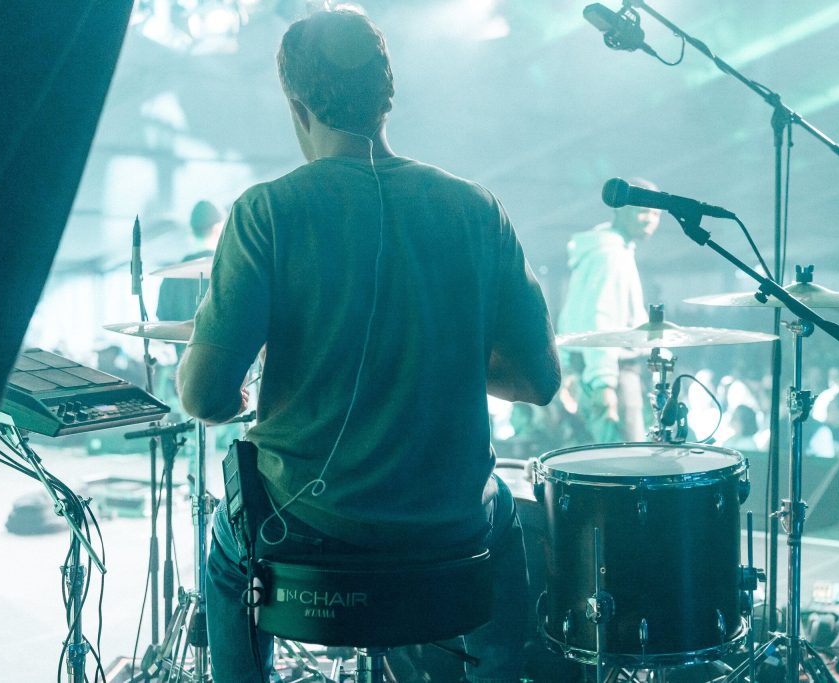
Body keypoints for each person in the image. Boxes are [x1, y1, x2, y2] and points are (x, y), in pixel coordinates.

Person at [176, 8, 560, 683]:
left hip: (313, 530)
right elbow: (539, 381)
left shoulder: (267, 212)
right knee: (505, 515)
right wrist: (437, 351)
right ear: (387, 97)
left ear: (297, 106)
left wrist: (238, 397)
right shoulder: (478, 209)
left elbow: (203, 397)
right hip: (452, 530)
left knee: (226, 551)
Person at [556, 180, 661, 443]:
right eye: (643, 210)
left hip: (591, 368)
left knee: (607, 456)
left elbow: (571, 314)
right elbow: (600, 317)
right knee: (626, 459)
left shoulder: (607, 250)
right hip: (612, 372)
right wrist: (603, 382)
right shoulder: (610, 255)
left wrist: (567, 366)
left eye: (656, 213)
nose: (650, 219)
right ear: (620, 209)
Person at [156, 199, 224, 324]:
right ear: (217, 229)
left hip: (180, 337)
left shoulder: (171, 276)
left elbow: (163, 321)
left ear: (191, 230)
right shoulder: (226, 271)